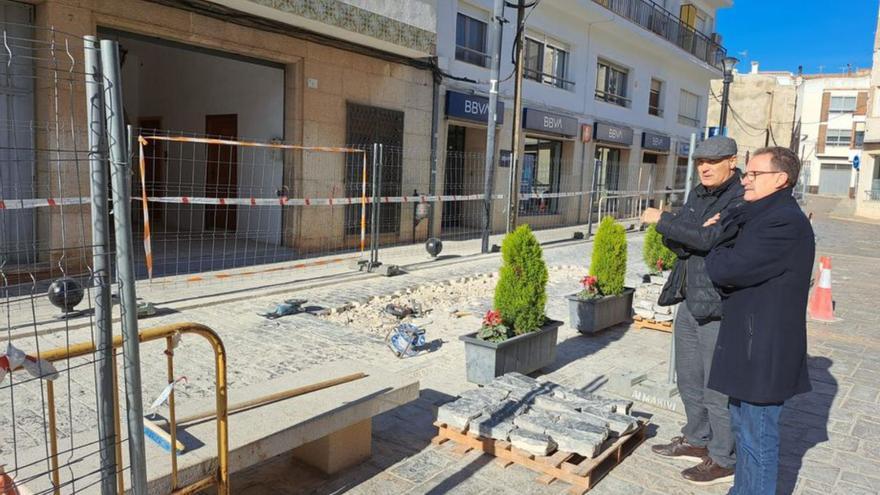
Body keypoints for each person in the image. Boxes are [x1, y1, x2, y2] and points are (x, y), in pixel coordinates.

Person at [704, 147, 814, 494]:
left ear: (780, 179)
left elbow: (727, 268)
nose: (745, 180)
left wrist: (716, 243)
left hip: (763, 351)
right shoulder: (758, 215)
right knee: (744, 430)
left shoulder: (782, 222)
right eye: (747, 173)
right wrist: (727, 224)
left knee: (758, 439)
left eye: (754, 174)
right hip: (749, 346)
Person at [640, 136, 743, 485]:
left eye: (713, 161)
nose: (704, 167)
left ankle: (723, 457)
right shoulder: (699, 193)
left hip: (717, 301)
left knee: (717, 387)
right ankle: (698, 440)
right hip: (689, 296)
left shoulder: (739, 196)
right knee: (688, 378)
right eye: (700, 161)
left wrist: (666, 220)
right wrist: (689, 231)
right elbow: (684, 239)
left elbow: (707, 240)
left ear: (732, 161)